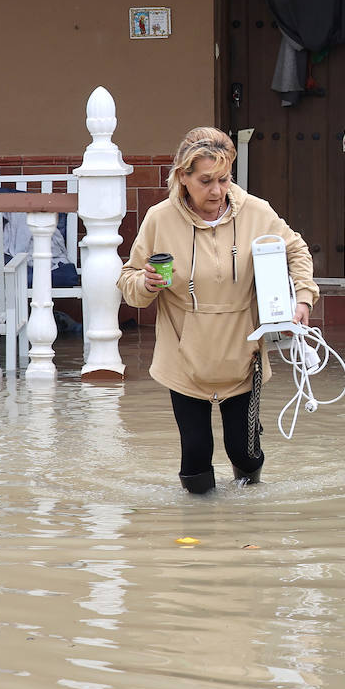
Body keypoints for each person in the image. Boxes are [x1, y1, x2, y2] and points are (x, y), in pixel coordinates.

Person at [117, 126, 318, 494]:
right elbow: (128, 280)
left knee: (245, 452)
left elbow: (296, 250)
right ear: (183, 177)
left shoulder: (257, 211)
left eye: (224, 179)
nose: (216, 191)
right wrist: (145, 284)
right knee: (195, 454)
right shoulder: (159, 219)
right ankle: (198, 524)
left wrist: (303, 298)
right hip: (184, 356)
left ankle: (247, 519)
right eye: (206, 181)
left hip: (243, 354)